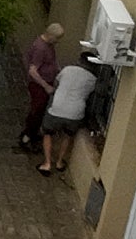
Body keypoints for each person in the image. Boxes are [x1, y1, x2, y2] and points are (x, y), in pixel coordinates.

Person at [40, 55, 101, 174]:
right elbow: (91, 95)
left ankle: (47, 163)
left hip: (57, 108)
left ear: (79, 60)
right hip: (75, 112)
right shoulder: (93, 79)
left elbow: (56, 84)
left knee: (47, 133)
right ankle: (59, 162)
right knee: (68, 136)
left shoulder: (67, 70)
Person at [19, 23, 64, 152]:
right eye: (57, 38)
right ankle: (27, 136)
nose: (58, 42)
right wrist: (45, 86)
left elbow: (52, 61)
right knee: (36, 110)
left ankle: (31, 134)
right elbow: (33, 71)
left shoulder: (49, 46)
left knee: (40, 110)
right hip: (39, 85)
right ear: (50, 36)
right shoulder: (40, 48)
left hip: (46, 82)